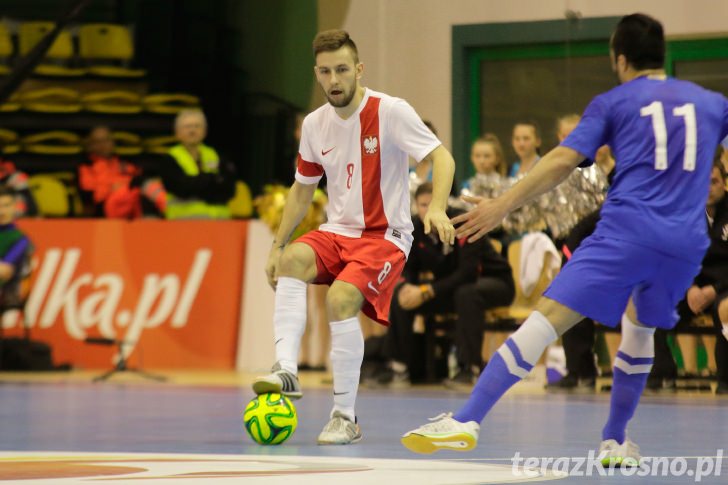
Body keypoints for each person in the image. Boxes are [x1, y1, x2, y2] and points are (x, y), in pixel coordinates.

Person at [402, 13, 728, 464]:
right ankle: (615, 441)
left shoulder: (614, 102)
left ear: (620, 59)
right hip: (686, 242)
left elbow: (560, 161)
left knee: (547, 319)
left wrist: (502, 205)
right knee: (639, 329)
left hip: (627, 231)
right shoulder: (711, 103)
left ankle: (467, 418)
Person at [252, 29, 455, 445]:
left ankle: (344, 417)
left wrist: (435, 206)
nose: (334, 80)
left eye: (342, 69)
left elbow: (441, 157)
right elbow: (303, 187)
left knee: (340, 299)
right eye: (325, 72)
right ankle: (286, 370)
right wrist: (277, 245)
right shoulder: (313, 124)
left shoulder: (390, 111)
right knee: (291, 259)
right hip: (336, 231)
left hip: (385, 235)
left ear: (358, 70)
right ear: (317, 74)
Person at [371, 182, 512, 387]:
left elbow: (466, 273)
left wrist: (428, 290)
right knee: (401, 295)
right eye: (422, 205)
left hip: (494, 283)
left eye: (433, 205)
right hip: (451, 289)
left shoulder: (464, 222)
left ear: (444, 205)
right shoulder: (415, 228)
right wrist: (409, 288)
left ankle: (469, 369)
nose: (427, 210)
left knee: (466, 293)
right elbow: (408, 268)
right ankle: (398, 367)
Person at [650, 159, 728, 394]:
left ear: (724, 184)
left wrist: (715, 289)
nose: (707, 188)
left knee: (727, 307)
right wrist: (690, 287)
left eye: (713, 182)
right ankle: (663, 374)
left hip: (723, 287)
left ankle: (725, 377)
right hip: (694, 287)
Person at [160, 109, 236, 219]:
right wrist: (212, 180)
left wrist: (196, 182)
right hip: (183, 225)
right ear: (177, 133)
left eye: (197, 126)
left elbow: (229, 189)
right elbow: (181, 188)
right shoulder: (170, 158)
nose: (192, 130)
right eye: (187, 126)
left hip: (219, 224)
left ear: (205, 131)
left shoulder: (215, 155)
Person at [0, 185, 32, 311]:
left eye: (6, 206)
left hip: (8, 291)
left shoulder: (20, 239)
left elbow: (4, 269)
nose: (1, 211)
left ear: (14, 207)